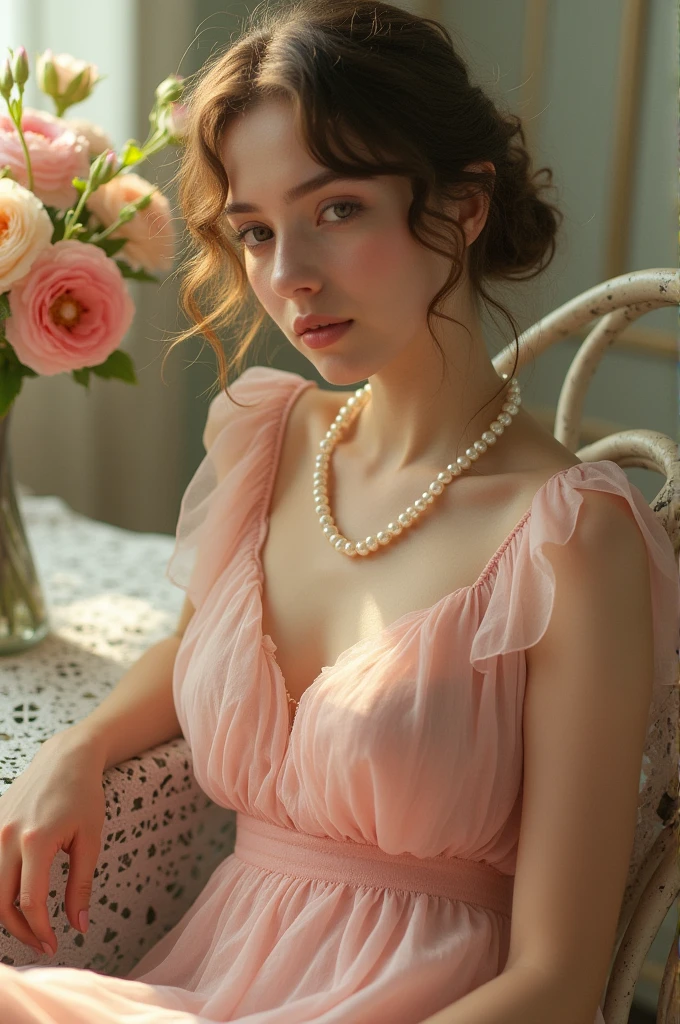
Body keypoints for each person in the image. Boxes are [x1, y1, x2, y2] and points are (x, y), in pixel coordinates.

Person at [0, 2, 677, 1022]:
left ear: (464, 204)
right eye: (256, 232)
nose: (289, 277)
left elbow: (559, 981)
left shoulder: (572, 539)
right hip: (215, 983)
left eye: (339, 209)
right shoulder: (270, 439)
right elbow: (197, 650)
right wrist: (80, 746)